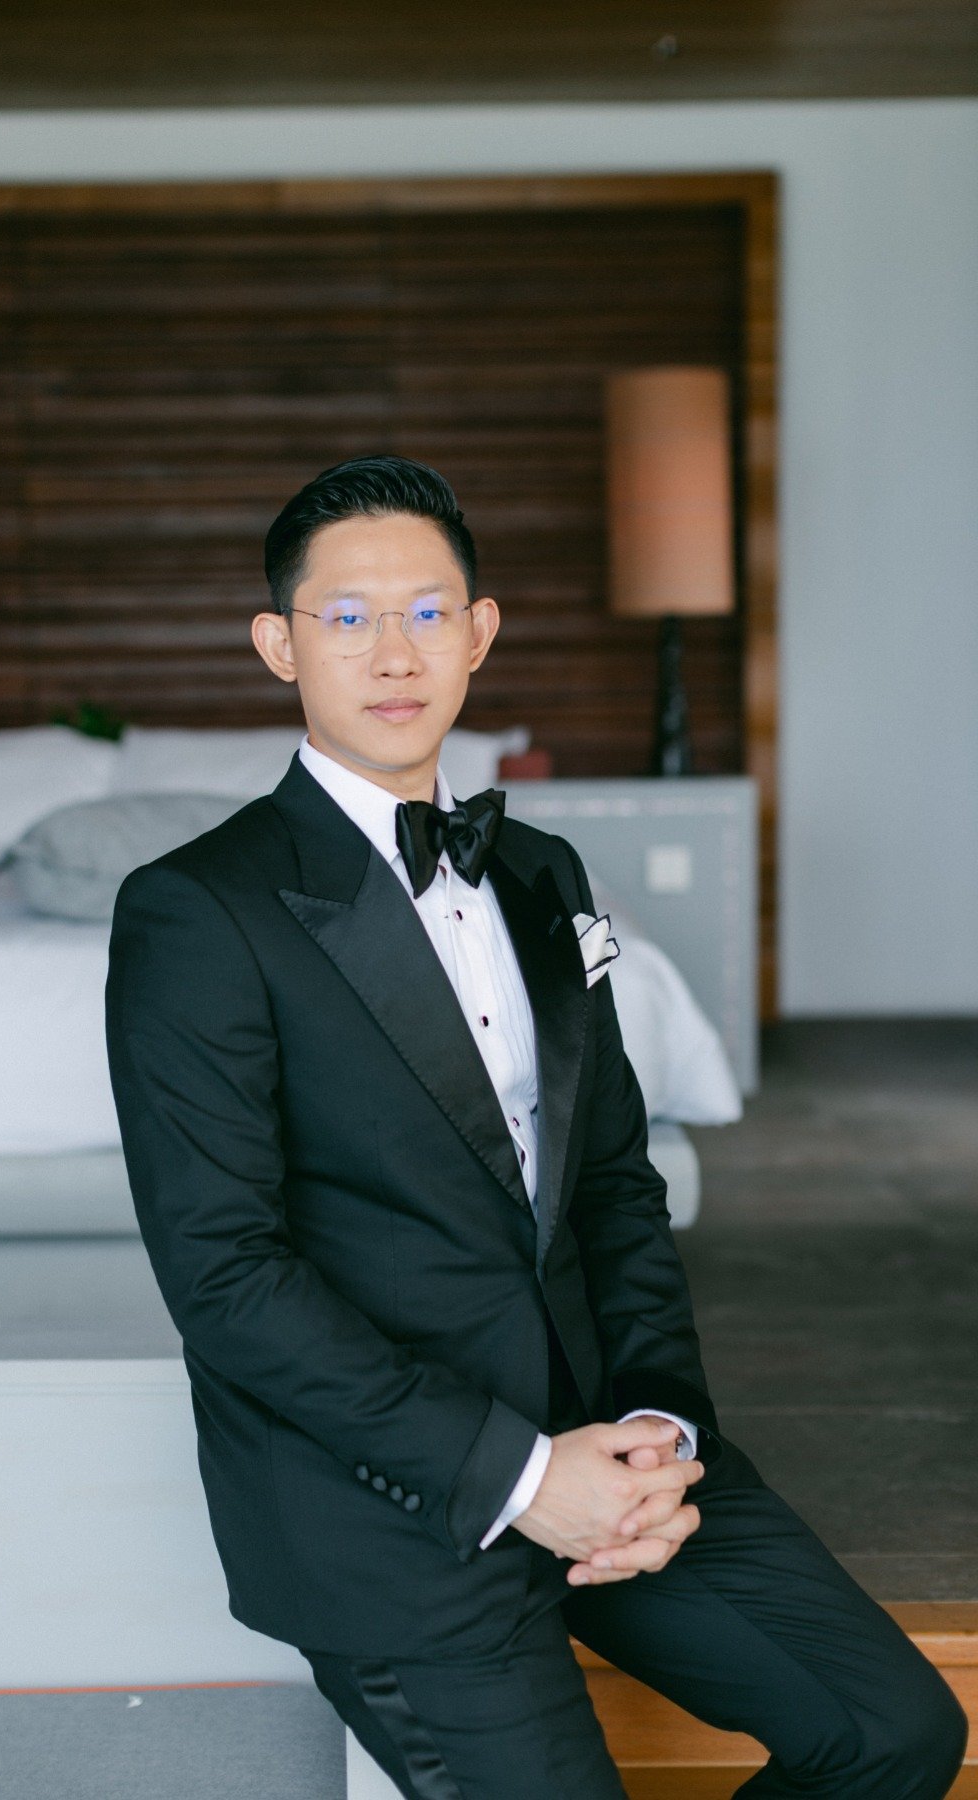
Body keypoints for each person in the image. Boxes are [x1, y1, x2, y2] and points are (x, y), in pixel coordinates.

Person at [103, 455, 967, 1798]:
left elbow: (615, 1181)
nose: (395, 653)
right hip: (388, 1510)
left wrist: (663, 1426)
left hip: (608, 1446)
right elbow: (226, 1279)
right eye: (348, 617)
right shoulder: (197, 912)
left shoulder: (544, 872)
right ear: (280, 644)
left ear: (481, 632)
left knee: (900, 1732)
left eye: (429, 612)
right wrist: (519, 1475)